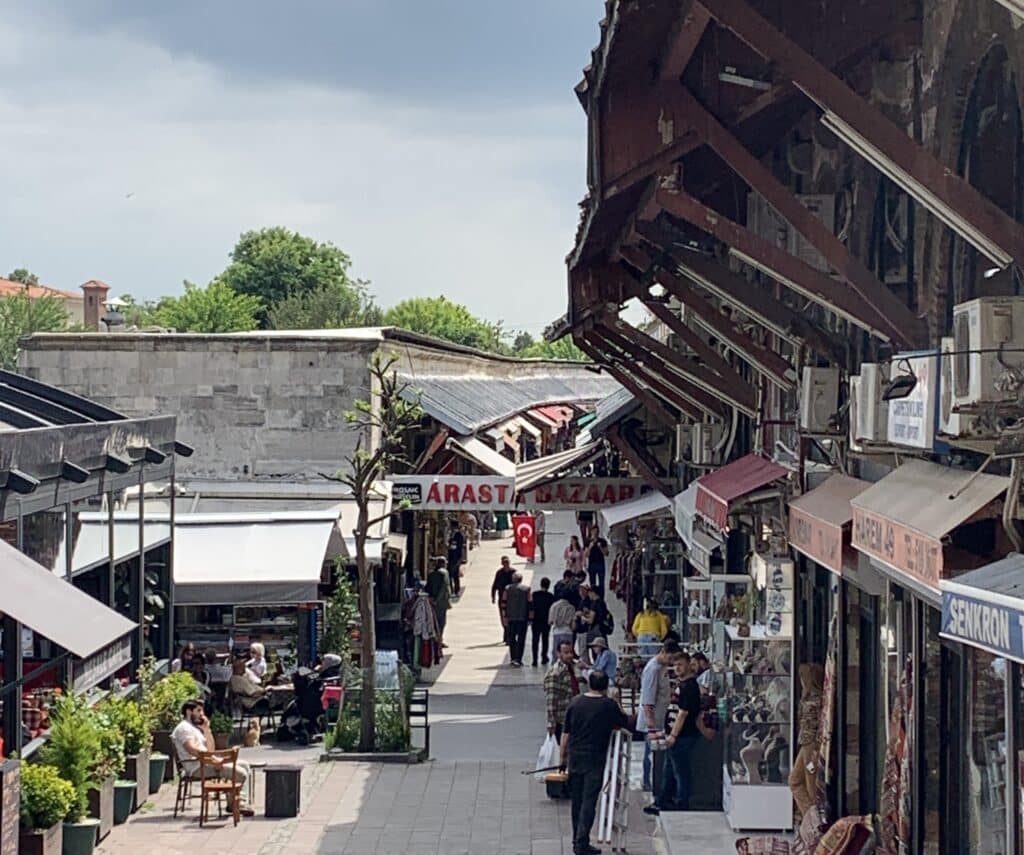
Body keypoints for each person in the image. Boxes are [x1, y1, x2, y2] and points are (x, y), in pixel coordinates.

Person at [560, 671, 634, 855]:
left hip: (575, 757)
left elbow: (565, 733)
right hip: (595, 758)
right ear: (605, 686)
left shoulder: (575, 702)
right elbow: (624, 722)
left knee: (576, 801)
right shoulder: (608, 705)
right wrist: (617, 702)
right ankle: (581, 842)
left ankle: (577, 839)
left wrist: (562, 758)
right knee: (589, 800)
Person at [171, 700, 253, 816]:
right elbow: (192, 750)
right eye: (198, 711)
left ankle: (235, 802)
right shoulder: (184, 728)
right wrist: (213, 761)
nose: (202, 714)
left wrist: (206, 730)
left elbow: (210, 749)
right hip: (197, 767)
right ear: (189, 712)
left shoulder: (194, 728)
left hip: (206, 762)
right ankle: (236, 804)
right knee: (240, 773)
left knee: (244, 764)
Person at [645, 651, 702, 814]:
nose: (677, 668)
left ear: (689, 665)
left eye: (680, 664)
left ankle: (682, 803)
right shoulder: (681, 684)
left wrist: (673, 735)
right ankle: (662, 801)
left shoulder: (690, 686)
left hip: (683, 736)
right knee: (669, 769)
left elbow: (683, 713)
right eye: (675, 664)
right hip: (673, 735)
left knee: (680, 771)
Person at [637, 640, 681, 791]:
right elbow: (648, 698)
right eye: (670, 658)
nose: (671, 662)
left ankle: (652, 781)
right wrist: (651, 723)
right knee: (651, 753)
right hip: (652, 719)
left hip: (660, 717)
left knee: (654, 752)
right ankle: (648, 781)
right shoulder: (653, 669)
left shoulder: (662, 668)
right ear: (663, 652)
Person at [543, 641, 581, 740]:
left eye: (571, 652)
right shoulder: (555, 673)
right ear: (559, 654)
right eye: (566, 652)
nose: (569, 655)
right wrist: (551, 722)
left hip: (574, 716)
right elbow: (551, 700)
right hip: (562, 720)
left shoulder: (571, 668)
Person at [505, 572, 531, 667]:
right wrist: (530, 617)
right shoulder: (527, 589)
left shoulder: (507, 589)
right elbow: (530, 602)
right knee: (521, 639)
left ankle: (513, 658)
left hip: (511, 618)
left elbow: (504, 602)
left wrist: (504, 616)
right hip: (522, 618)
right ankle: (519, 659)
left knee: (512, 639)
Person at [425, 558, 453, 645]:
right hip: (441, 602)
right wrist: (437, 599)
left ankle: (436, 640)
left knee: (434, 622)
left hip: (432, 601)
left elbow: (427, 587)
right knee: (441, 622)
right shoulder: (444, 573)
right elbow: (444, 588)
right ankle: (439, 641)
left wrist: (431, 598)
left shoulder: (431, 574)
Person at [530, 576, 555, 667]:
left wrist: (530, 619)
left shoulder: (535, 594)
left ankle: (534, 659)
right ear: (548, 586)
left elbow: (531, 607)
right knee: (545, 640)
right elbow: (552, 609)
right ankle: (544, 657)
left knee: (535, 640)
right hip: (546, 621)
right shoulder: (550, 596)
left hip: (536, 621)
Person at [491, 556, 516, 644]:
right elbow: (494, 585)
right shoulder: (499, 573)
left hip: (511, 600)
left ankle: (508, 637)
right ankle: (506, 636)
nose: (506, 565)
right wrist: (493, 596)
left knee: (510, 618)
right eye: (504, 563)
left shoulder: (513, 572)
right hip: (502, 599)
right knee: (503, 618)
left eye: (507, 563)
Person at [447, 518, 465, 596]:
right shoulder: (452, 534)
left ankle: (456, 590)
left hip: (455, 557)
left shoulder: (458, 535)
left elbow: (458, 547)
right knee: (451, 575)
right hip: (451, 557)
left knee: (454, 575)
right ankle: (452, 590)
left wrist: (459, 559)